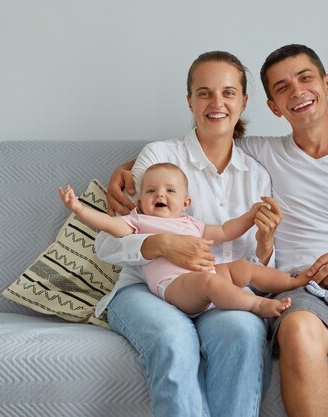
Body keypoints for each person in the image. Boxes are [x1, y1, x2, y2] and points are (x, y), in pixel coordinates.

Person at [107, 44, 328, 417]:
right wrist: (131, 171)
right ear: (273, 106)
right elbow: (206, 139)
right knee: (291, 332)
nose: (297, 91)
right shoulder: (259, 154)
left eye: (306, 78)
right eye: (282, 88)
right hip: (291, 281)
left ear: (327, 84)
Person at [94, 51, 284, 417]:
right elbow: (107, 242)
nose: (217, 103)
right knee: (173, 338)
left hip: (216, 292)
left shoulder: (256, 175)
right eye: (204, 93)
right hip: (146, 290)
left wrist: (265, 244)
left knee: (244, 333)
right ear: (189, 101)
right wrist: (160, 243)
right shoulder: (158, 156)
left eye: (228, 93)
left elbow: (256, 269)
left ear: (243, 102)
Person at [60, 162, 305, 318]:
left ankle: (295, 281)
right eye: (151, 190)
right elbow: (107, 224)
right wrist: (79, 209)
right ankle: (256, 305)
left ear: (186, 204)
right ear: (140, 202)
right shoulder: (138, 221)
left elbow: (226, 230)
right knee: (209, 283)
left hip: (206, 277)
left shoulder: (191, 223)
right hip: (173, 285)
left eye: (170, 190)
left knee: (242, 268)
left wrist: (251, 216)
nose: (159, 194)